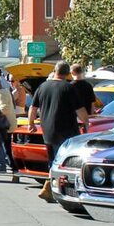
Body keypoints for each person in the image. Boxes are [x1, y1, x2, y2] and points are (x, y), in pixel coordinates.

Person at [37, 62, 88, 201]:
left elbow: (32, 108)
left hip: (47, 130)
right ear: (68, 74)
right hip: (66, 131)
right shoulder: (68, 88)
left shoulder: (43, 86)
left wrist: (30, 123)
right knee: (64, 162)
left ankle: (49, 187)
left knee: (53, 159)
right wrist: (86, 122)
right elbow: (80, 110)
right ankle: (53, 188)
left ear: (54, 71)